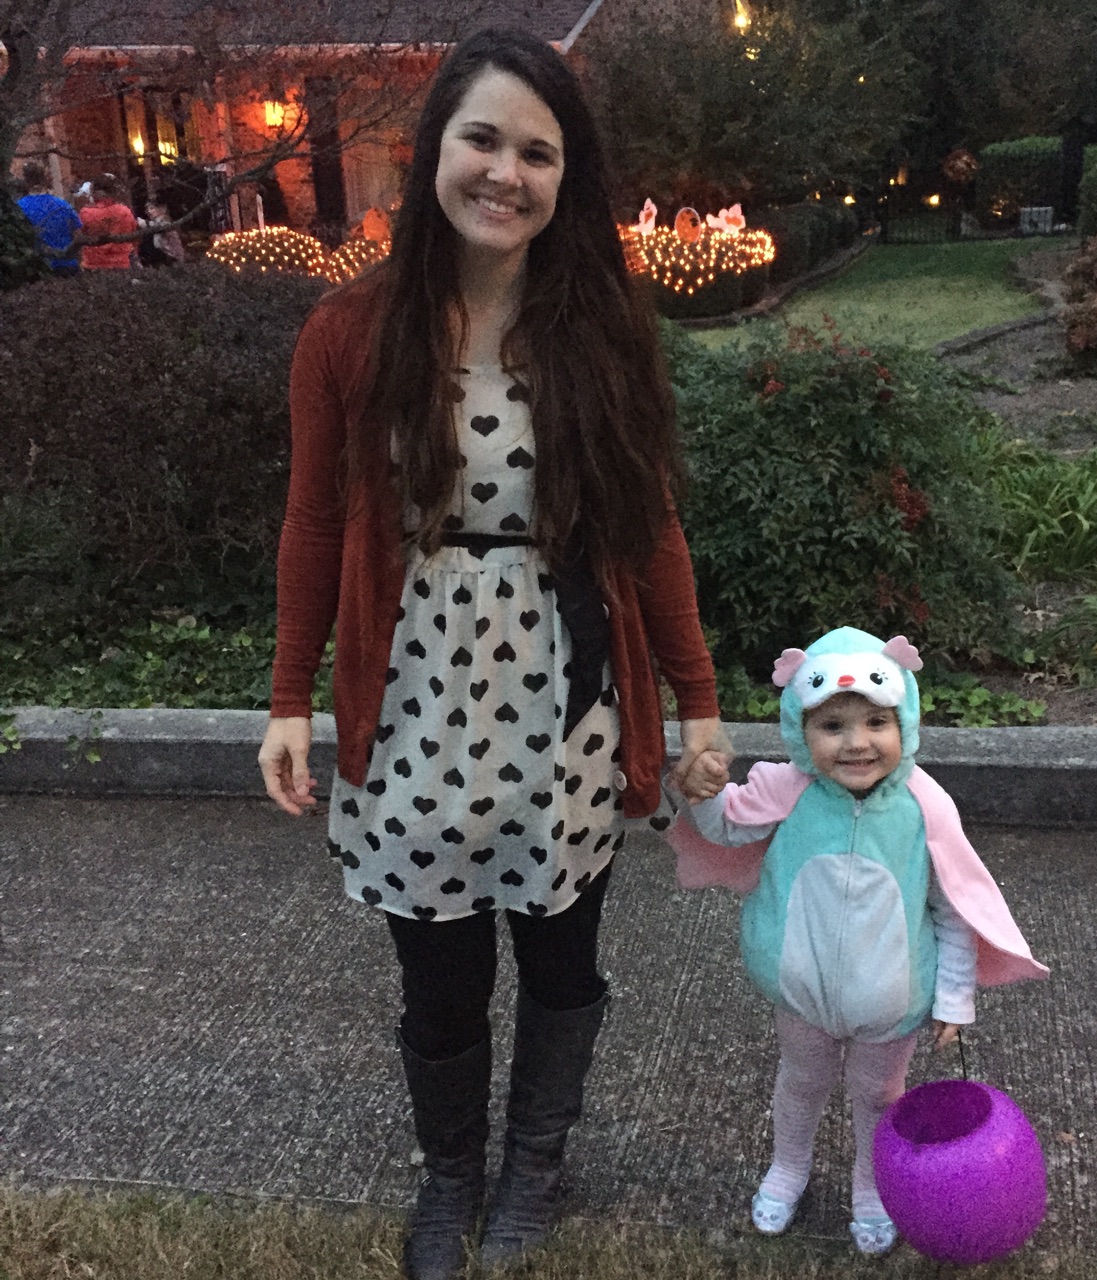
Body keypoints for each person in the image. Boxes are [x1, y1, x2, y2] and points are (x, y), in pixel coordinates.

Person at [257, 27, 729, 1280]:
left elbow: (650, 528)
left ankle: (534, 1162)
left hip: (565, 694)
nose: (504, 173)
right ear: (435, 151)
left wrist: (695, 699)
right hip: (413, 697)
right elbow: (313, 522)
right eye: (482, 139)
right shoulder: (348, 332)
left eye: (537, 152)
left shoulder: (598, 329)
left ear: (566, 177)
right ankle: (451, 1171)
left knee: (562, 952)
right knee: (440, 968)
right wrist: (289, 695)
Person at [670, 626, 1048, 1256]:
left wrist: (954, 997)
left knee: (879, 1097)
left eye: (877, 722)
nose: (857, 743)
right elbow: (727, 825)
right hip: (801, 990)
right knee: (800, 1081)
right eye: (832, 726)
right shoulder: (787, 789)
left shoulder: (924, 806)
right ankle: (788, 1169)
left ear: (905, 723)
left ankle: (873, 1187)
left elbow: (952, 906)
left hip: (891, 1001)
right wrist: (703, 793)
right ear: (800, 731)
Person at [17, 161, 80, 276]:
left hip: (37, 268)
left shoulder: (18, 208)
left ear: (25, 181)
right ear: (45, 180)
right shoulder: (63, 206)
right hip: (67, 265)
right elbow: (77, 233)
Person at [77, 174, 137, 270]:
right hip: (121, 264)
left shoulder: (86, 213)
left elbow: (79, 236)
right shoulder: (125, 211)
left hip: (93, 265)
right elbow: (133, 235)